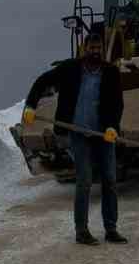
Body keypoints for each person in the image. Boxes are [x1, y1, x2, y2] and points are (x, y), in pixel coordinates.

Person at [22, 25, 127, 245]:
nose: (95, 52)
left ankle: (111, 229)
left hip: (103, 135)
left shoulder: (111, 73)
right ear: (84, 49)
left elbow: (116, 104)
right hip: (79, 134)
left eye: (98, 48)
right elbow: (42, 81)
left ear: (102, 49)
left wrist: (112, 127)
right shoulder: (70, 69)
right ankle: (82, 231)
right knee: (84, 181)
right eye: (91, 48)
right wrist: (30, 105)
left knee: (109, 180)